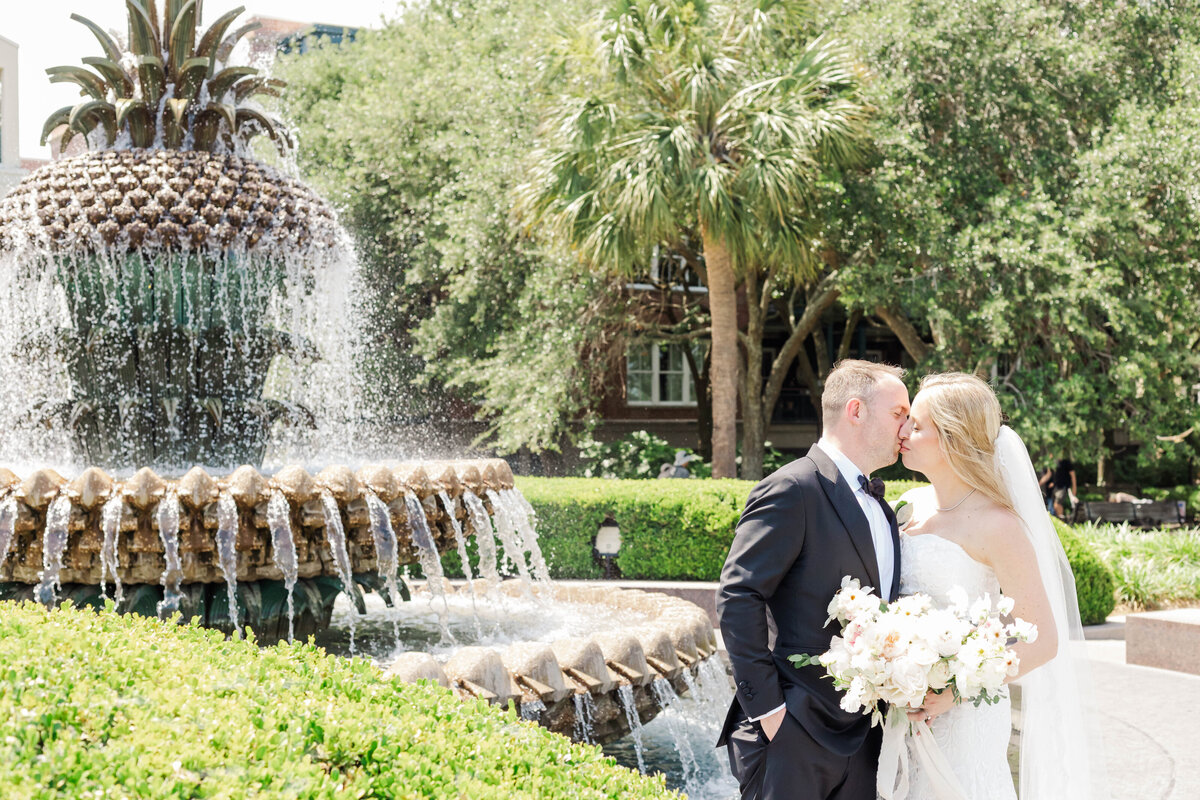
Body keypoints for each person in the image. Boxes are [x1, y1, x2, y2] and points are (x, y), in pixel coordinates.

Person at [893, 372, 1107, 799]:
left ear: (953, 438)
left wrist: (955, 687)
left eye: (917, 425)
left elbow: (1043, 640)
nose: (902, 431)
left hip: (966, 714)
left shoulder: (999, 526)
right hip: (902, 708)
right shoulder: (906, 507)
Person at [716, 359, 911, 800]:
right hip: (794, 731)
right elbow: (738, 594)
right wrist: (770, 712)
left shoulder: (881, 507)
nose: (907, 426)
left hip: (865, 737)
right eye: (899, 413)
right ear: (856, 411)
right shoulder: (792, 488)